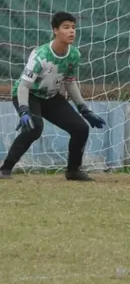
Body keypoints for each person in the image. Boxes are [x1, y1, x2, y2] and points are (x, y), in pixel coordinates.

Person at [1, 12, 106, 180]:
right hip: (29, 94)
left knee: (81, 128)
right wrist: (23, 110)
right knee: (34, 128)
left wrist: (83, 108)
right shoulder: (41, 55)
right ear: (55, 31)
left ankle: (73, 171)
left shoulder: (74, 55)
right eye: (66, 27)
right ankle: (5, 169)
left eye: (73, 27)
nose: (71, 31)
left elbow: (70, 82)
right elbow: (24, 85)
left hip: (51, 96)